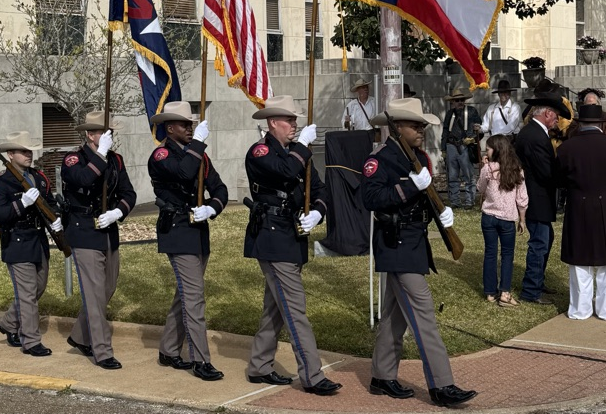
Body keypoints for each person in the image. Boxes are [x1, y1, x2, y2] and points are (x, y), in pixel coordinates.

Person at [362, 98, 477, 407]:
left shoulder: (421, 158)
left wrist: (443, 215)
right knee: (423, 315)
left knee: (394, 317)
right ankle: (442, 385)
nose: (422, 131)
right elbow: (371, 198)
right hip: (395, 245)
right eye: (416, 126)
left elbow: (426, 198)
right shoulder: (381, 160)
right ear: (397, 128)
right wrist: (409, 188)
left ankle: (382, 376)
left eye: (423, 126)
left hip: (415, 242)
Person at [244, 95, 341, 396]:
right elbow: (285, 171)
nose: (295, 125)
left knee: (275, 308)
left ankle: (259, 365)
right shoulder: (261, 151)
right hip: (273, 239)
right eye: (290, 120)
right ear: (273, 122)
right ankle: (312, 375)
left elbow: (322, 190)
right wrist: (302, 148)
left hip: (292, 235)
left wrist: (317, 212)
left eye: (296, 121)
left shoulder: (297, 153)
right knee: (295, 309)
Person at [148, 101, 228, 381]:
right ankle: (200, 360)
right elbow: (182, 172)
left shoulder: (199, 154)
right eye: (185, 125)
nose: (190, 128)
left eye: (191, 124)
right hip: (177, 231)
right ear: (170, 128)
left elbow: (220, 187)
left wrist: (212, 207)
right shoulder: (160, 155)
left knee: (184, 295)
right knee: (194, 298)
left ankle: (169, 350)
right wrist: (199, 145)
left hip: (198, 231)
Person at [61, 111, 136, 370]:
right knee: (94, 294)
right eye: (103, 132)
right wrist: (99, 155)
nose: (108, 136)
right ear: (89, 134)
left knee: (107, 288)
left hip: (108, 231)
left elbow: (129, 192)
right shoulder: (73, 159)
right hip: (84, 232)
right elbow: (82, 179)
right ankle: (102, 351)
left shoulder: (117, 160)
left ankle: (80, 336)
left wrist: (118, 212)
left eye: (110, 132)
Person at [558, 104, 606, 320]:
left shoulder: (566, 148)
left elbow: (558, 179)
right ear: (602, 124)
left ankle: (580, 310)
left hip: (578, 205)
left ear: (580, 123)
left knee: (580, 260)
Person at [0, 131, 61, 357]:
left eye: (30, 151)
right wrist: (21, 204)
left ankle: (9, 322)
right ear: (10, 154)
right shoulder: (1, 183)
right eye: (24, 151)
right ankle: (31, 341)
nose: (29, 155)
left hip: (38, 241)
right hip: (17, 242)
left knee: (38, 288)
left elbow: (49, 202)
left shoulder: (38, 177)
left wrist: (56, 218)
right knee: (27, 294)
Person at [515, 95, 568, 305]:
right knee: (539, 242)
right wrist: (566, 178)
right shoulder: (534, 136)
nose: (557, 121)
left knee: (546, 239)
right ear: (547, 114)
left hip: (539, 196)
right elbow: (545, 171)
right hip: (536, 197)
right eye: (556, 117)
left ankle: (537, 282)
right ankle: (531, 289)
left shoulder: (535, 133)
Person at [477, 135, 528, 308]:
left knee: (490, 253)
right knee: (507, 255)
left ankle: (490, 292)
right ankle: (504, 292)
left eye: (489, 148)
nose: (486, 151)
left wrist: (484, 167)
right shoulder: (516, 169)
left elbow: (480, 188)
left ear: (497, 150)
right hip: (507, 218)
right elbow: (522, 198)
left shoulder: (488, 169)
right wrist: (522, 219)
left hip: (489, 217)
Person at [440, 89, 482, 208]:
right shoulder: (450, 114)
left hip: (465, 146)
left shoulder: (472, 111)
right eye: (457, 100)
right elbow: (445, 131)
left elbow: (479, 128)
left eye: (462, 100)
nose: (460, 102)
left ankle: (469, 201)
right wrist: (443, 149)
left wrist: (472, 138)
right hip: (451, 146)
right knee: (452, 176)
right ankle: (455, 201)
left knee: (468, 176)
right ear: (453, 102)